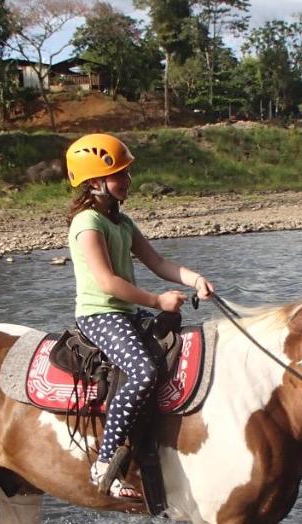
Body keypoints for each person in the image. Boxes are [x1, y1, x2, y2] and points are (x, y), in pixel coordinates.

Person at [64, 133, 215, 499]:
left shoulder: (122, 223)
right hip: (100, 316)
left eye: (127, 174)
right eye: (120, 175)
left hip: (126, 313)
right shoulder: (88, 224)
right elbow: (108, 282)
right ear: (96, 181)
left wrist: (195, 278)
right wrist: (155, 300)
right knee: (143, 371)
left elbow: (158, 262)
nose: (128, 181)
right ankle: (105, 460)